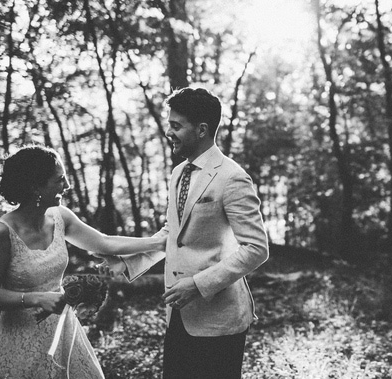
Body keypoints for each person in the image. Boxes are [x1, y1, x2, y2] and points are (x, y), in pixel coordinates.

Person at [98, 87, 269, 379]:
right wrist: (125, 263)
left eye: (176, 126)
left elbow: (256, 248)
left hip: (218, 321)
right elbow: (171, 234)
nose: (169, 132)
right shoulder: (179, 173)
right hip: (177, 316)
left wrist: (198, 285)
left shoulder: (233, 177)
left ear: (201, 130)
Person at [0, 145, 168, 379]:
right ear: (35, 186)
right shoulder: (0, 232)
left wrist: (159, 243)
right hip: (20, 337)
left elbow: (105, 243)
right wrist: (35, 298)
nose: (66, 186)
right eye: (59, 180)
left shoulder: (61, 217)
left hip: (63, 329)